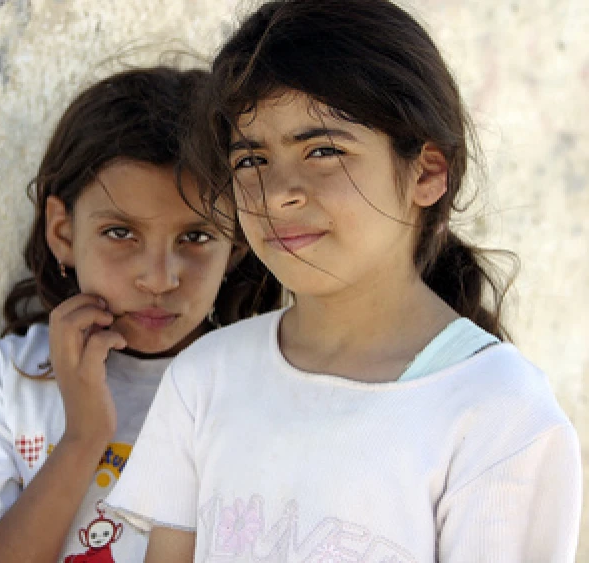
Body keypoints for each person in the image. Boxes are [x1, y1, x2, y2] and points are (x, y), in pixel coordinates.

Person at [105, 1, 583, 561]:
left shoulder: (499, 412)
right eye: (251, 160)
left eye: (324, 150)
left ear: (427, 172)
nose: (280, 191)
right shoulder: (205, 380)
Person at [0, 67, 276, 563]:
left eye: (195, 238)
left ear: (236, 246)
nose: (158, 278)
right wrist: (84, 435)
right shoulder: (8, 383)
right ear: (63, 232)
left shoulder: (257, 387)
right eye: (120, 233)